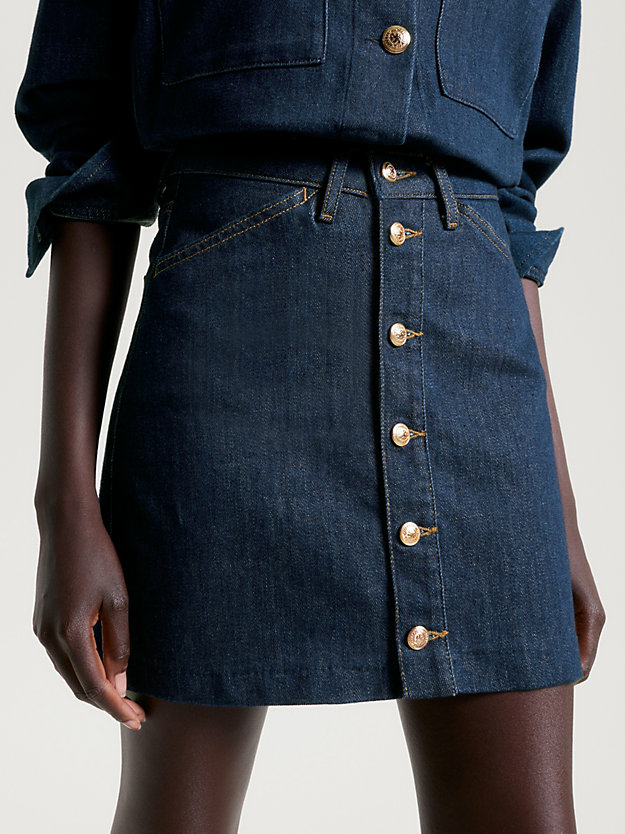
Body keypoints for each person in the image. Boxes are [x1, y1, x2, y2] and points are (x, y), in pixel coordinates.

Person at [15, 1, 605, 831]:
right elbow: (90, 163)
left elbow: (511, 204)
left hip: (484, 392)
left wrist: (558, 513)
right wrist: (65, 508)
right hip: (224, 380)